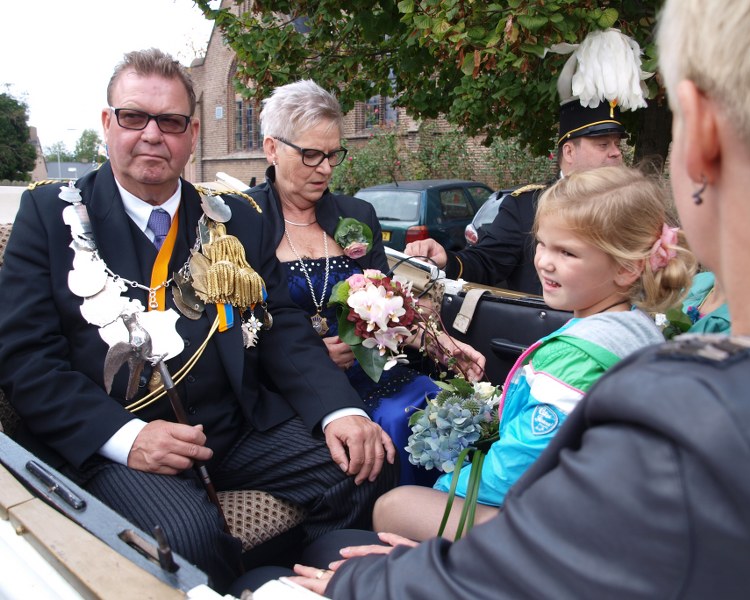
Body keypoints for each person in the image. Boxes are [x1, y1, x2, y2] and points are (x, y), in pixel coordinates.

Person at [285, 0, 750, 595]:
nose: (547, 262)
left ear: (704, 135)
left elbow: (546, 548)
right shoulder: (663, 345)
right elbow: (481, 264)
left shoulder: (665, 400)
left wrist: (365, 581)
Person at [0, 49, 396, 592]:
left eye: (171, 122)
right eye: (134, 117)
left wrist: (339, 411)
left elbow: (278, 324)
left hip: (233, 427)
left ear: (190, 134)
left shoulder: (236, 219)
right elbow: (25, 359)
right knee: (188, 538)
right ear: (107, 123)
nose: (152, 135)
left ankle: (305, 580)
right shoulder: (50, 215)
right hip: (119, 444)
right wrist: (127, 438)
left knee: (360, 465)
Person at [371, 165, 695, 541]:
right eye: (542, 244)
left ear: (626, 269)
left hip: (562, 528)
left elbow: (512, 473)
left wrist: (444, 491)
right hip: (593, 505)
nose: (544, 261)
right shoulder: (638, 328)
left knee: (393, 507)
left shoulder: (577, 358)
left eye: (567, 252)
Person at [246, 79, 485, 486]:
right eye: (310, 155)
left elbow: (390, 308)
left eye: (332, 154)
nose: (324, 168)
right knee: (394, 420)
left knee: (442, 408)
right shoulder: (244, 221)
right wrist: (311, 354)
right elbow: (238, 331)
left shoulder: (356, 215)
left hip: (373, 372)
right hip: (293, 389)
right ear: (272, 149)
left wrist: (443, 345)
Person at [405, 29, 651, 295]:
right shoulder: (526, 207)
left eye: (617, 144)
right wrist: (447, 260)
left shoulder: (632, 207)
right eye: (603, 145)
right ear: (569, 152)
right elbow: (486, 262)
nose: (615, 153)